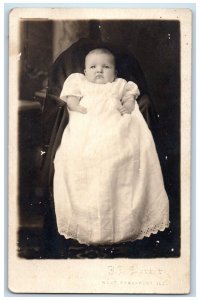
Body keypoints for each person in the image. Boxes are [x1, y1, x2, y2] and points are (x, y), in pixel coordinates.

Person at [53, 48, 169, 245]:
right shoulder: (80, 82)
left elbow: (130, 96)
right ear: (85, 71)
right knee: (78, 154)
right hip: (87, 126)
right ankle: (88, 225)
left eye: (106, 67)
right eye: (93, 67)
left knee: (122, 153)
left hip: (116, 126)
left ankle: (125, 225)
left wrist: (129, 103)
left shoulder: (119, 85)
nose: (99, 71)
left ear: (114, 73)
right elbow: (70, 98)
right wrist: (76, 106)